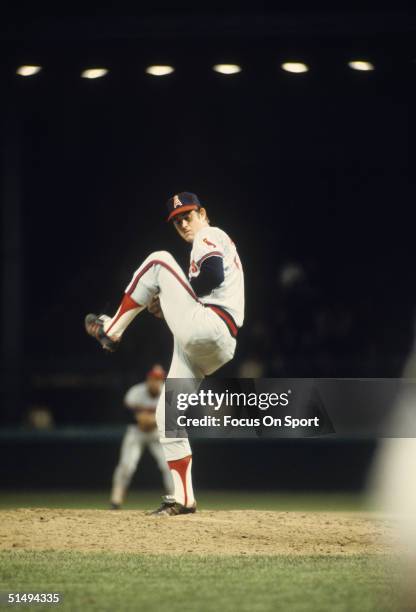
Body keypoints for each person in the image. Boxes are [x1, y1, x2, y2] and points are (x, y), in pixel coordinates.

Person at [86, 192, 244, 515]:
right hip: (215, 343)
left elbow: (211, 275)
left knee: (158, 261)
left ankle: (111, 329)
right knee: (167, 417)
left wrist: (179, 290)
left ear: (203, 213)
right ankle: (184, 498)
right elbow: (207, 285)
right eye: (177, 221)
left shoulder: (208, 234)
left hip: (210, 325)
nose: (183, 223)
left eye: (188, 215)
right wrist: (174, 299)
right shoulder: (216, 242)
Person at [110, 364, 174, 509]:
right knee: (127, 465)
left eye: (159, 379)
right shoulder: (135, 392)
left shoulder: (168, 393)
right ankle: (116, 500)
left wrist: (151, 420)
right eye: (153, 378)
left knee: (169, 465)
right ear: (148, 379)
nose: (155, 382)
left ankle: (176, 499)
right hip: (136, 432)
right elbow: (127, 415)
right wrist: (142, 419)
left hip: (158, 433)